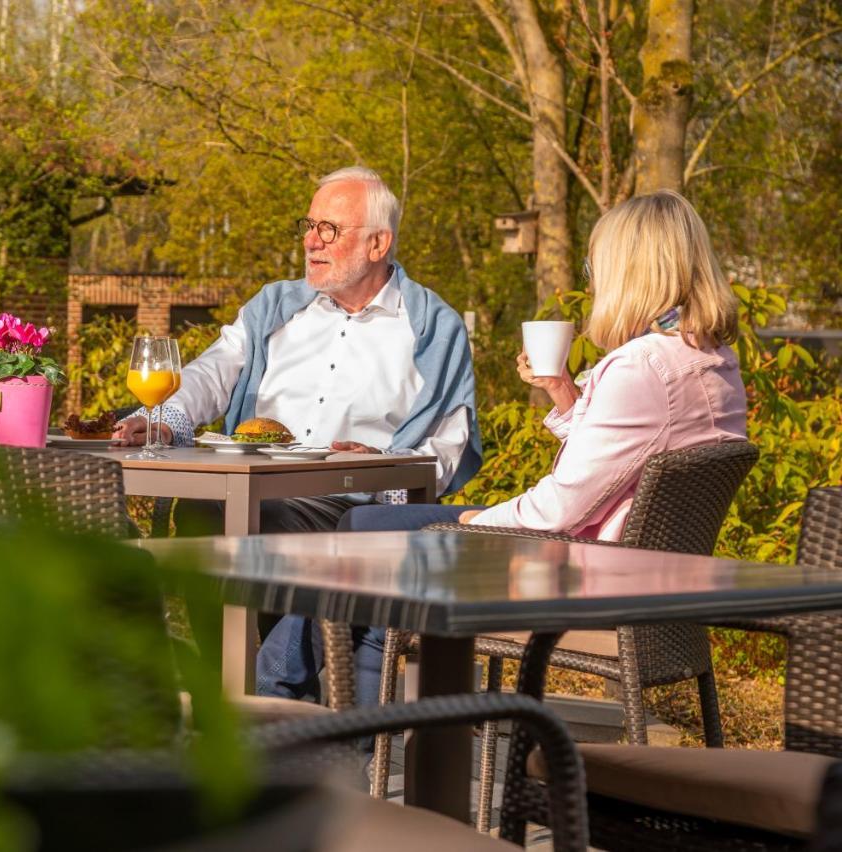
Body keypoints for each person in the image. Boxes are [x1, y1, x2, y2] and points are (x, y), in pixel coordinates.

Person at [337, 190, 748, 703]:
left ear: (627, 271)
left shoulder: (641, 366)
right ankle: (315, 706)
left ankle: (335, 736)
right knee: (376, 535)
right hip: (649, 578)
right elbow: (629, 458)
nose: (591, 280)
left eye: (593, 266)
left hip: (587, 575)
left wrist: (471, 522)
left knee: (363, 535)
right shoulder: (711, 359)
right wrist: (562, 393)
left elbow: (557, 510)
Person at [112, 166, 483, 703]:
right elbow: (214, 370)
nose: (311, 240)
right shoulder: (275, 305)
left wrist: (384, 462)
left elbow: (448, 445)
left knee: (273, 526)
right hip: (252, 489)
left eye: (330, 229)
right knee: (202, 513)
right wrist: (163, 417)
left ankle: (264, 697)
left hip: (349, 503)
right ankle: (234, 689)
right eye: (309, 225)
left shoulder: (431, 324)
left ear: (379, 243)